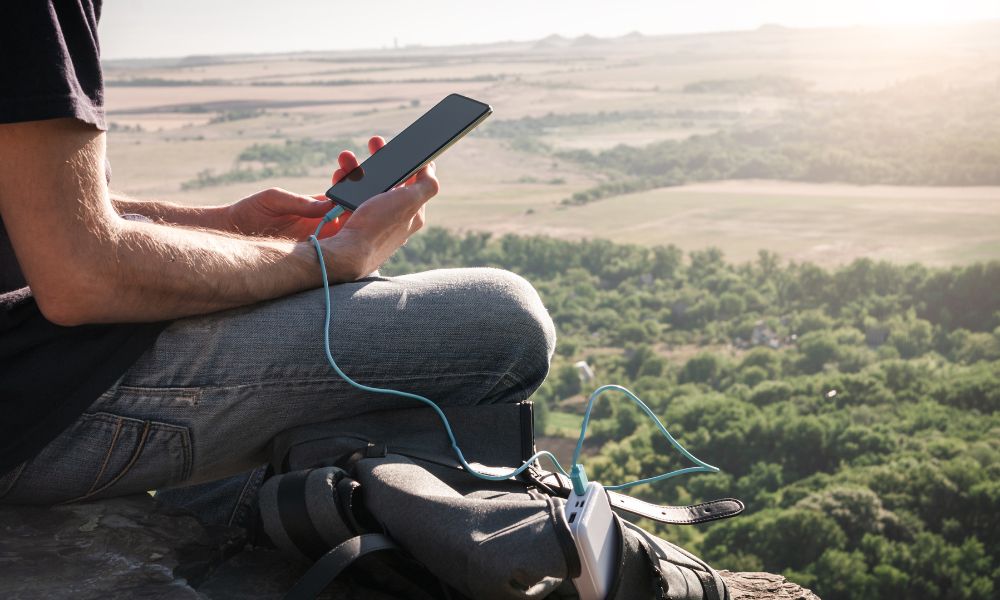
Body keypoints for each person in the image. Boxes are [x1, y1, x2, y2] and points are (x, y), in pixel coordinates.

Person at [0, 1, 555, 529]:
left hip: (31, 360)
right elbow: (81, 279)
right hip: (30, 401)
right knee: (503, 322)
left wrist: (231, 228)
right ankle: (227, 539)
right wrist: (329, 259)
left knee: (317, 299)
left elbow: (39, 207)